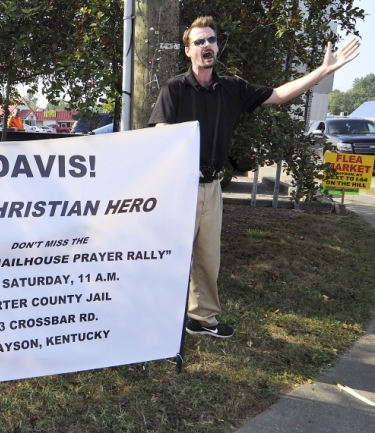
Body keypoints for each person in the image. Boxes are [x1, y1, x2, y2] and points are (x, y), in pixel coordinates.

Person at [148, 16, 359, 339]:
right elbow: (162, 133)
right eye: (200, 41)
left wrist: (323, 71)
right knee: (170, 253)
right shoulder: (175, 88)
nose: (207, 46)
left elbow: (278, 95)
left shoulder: (231, 87)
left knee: (207, 257)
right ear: (188, 50)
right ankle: (154, 320)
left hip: (213, 187)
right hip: (180, 188)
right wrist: (184, 165)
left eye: (211, 40)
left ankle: (202, 320)